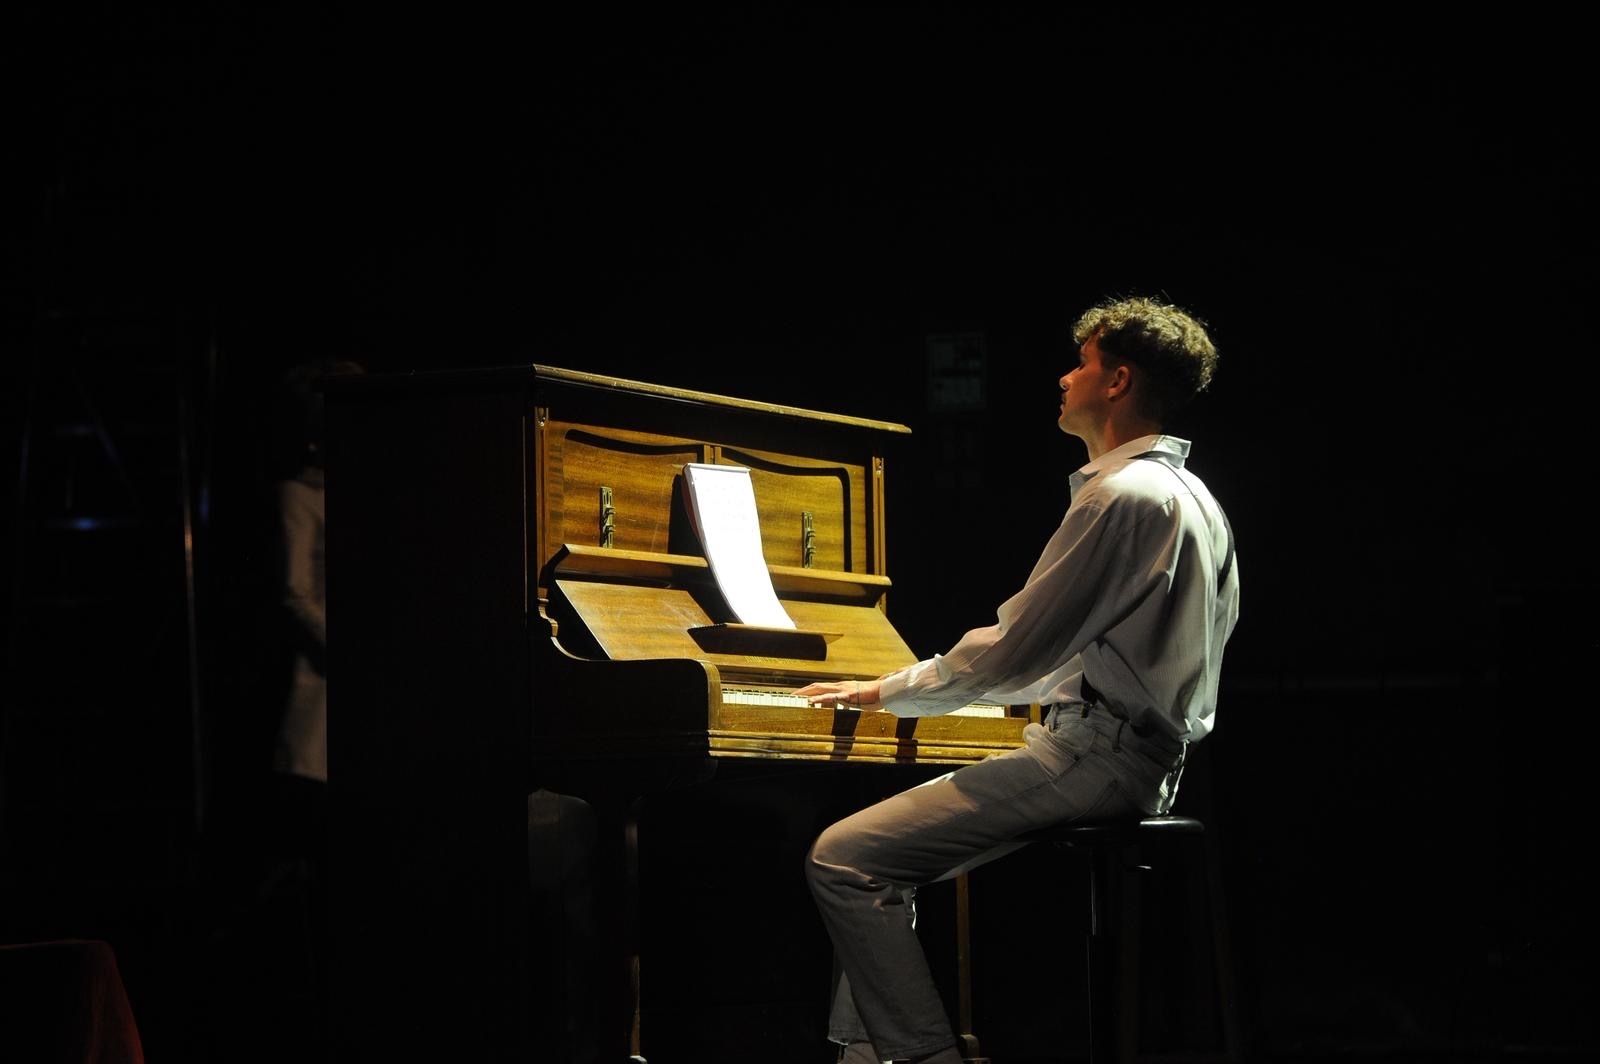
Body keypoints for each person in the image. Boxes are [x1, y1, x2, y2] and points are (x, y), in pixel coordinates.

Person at [793, 294, 1240, 1064]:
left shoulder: (1123, 496)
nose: (1064, 377)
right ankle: (871, 1056)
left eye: (1082, 363)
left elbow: (1014, 651)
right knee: (879, 859)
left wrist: (884, 692)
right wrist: (951, 693)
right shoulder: (1193, 496)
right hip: (1132, 758)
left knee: (844, 859)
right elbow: (1068, 660)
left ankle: (924, 1057)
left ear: (1118, 381)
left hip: (1097, 760)